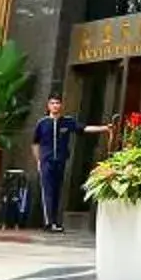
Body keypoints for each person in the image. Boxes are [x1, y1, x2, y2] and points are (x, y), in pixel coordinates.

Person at [32, 96, 84, 232]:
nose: (55, 106)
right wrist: (38, 160)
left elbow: (83, 129)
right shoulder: (42, 123)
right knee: (47, 191)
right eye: (52, 103)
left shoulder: (67, 122)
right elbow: (35, 143)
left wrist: (104, 128)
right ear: (48, 106)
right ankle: (49, 222)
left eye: (57, 103)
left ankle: (55, 221)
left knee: (57, 191)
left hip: (60, 161)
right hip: (46, 161)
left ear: (61, 105)